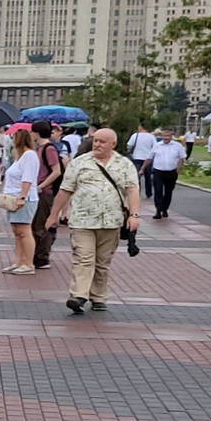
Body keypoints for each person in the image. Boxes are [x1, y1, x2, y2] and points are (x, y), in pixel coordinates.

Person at [49, 128, 142, 312]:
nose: (97, 144)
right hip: (82, 220)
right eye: (95, 140)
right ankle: (78, 295)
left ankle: (98, 297)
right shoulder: (80, 162)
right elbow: (65, 189)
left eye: (102, 141)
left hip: (112, 221)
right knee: (83, 258)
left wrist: (133, 215)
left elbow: (132, 190)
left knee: (102, 261)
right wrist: (54, 214)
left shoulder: (124, 164)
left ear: (113, 144)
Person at [1, 126, 42, 274]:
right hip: (12, 197)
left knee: (24, 230)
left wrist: (22, 197)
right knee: (17, 231)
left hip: (24, 197)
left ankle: (28, 263)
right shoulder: (19, 156)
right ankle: (19, 261)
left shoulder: (29, 156)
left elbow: (27, 178)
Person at [30, 121, 67, 268]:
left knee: (42, 224)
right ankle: (37, 254)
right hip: (40, 190)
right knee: (36, 223)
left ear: (37, 133)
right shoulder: (40, 148)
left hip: (46, 192)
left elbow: (56, 171)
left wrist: (42, 185)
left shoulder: (48, 149)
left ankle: (42, 256)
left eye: (33, 131)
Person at [147, 131, 188, 218]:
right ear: (161, 136)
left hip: (171, 172)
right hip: (158, 171)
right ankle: (158, 210)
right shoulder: (157, 145)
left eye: (168, 136)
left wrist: (178, 169)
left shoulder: (177, 146)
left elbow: (181, 158)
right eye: (164, 136)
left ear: (171, 136)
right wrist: (143, 168)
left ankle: (165, 209)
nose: (166, 138)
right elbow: (150, 157)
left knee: (168, 192)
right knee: (158, 191)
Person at [130, 125, 158, 199]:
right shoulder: (151, 137)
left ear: (140, 127)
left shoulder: (135, 135)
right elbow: (155, 146)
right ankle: (148, 193)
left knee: (137, 177)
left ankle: (137, 192)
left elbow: (129, 145)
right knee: (148, 176)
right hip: (148, 158)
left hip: (136, 157)